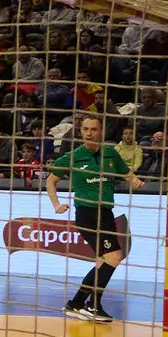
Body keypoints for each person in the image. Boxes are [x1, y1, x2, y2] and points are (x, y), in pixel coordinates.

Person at [46, 115, 143, 323]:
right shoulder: (73, 157)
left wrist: (134, 180)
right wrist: (57, 205)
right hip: (87, 213)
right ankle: (84, 303)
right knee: (114, 257)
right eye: (85, 129)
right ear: (81, 132)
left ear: (101, 132)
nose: (89, 133)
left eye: (93, 129)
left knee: (103, 261)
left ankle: (85, 304)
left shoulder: (110, 153)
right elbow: (50, 181)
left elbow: (126, 173)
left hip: (106, 213)